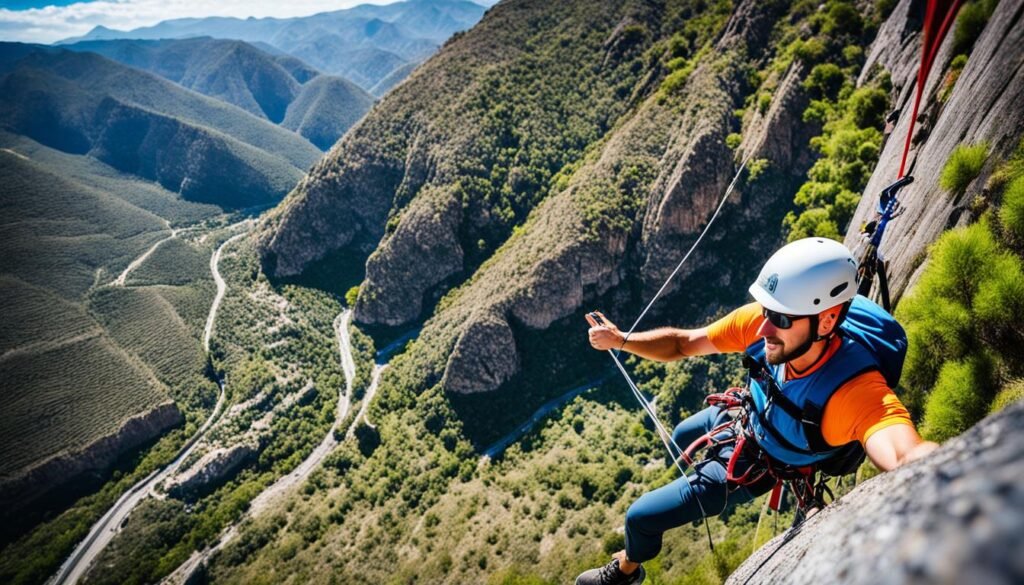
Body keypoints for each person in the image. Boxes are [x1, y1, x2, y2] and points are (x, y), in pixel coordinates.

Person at [575, 238, 938, 585]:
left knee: (640, 517)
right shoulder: (762, 324)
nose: (763, 327)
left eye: (780, 318)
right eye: (767, 311)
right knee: (684, 434)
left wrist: (942, 467)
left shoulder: (852, 392)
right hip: (742, 420)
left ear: (826, 321)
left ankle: (626, 569)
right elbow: (683, 343)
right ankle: (694, 476)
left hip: (759, 464)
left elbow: (903, 449)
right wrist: (621, 340)